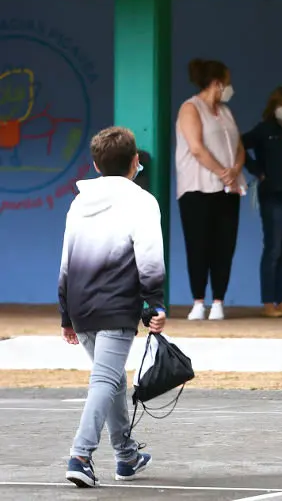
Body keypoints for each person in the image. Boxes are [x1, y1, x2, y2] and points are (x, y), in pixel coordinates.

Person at [58, 127, 166, 488]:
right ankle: (81, 454)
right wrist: (155, 304)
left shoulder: (78, 203)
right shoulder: (142, 202)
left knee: (114, 378)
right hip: (116, 305)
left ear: (95, 164)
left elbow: (66, 261)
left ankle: (126, 454)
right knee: (106, 379)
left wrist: (65, 315)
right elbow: (150, 260)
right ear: (136, 162)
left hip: (80, 305)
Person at [176, 58, 246, 322]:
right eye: (227, 82)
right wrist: (222, 172)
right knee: (198, 245)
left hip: (227, 190)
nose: (229, 87)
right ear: (217, 83)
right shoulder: (190, 108)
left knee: (224, 246)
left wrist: (235, 170)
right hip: (197, 189)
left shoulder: (226, 111)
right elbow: (196, 147)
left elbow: (238, 146)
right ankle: (198, 302)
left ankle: (218, 301)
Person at [243, 86, 282, 318]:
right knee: (274, 248)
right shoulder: (265, 129)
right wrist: (258, 171)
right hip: (274, 196)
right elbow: (241, 145)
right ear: (273, 108)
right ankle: (269, 302)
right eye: (281, 104)